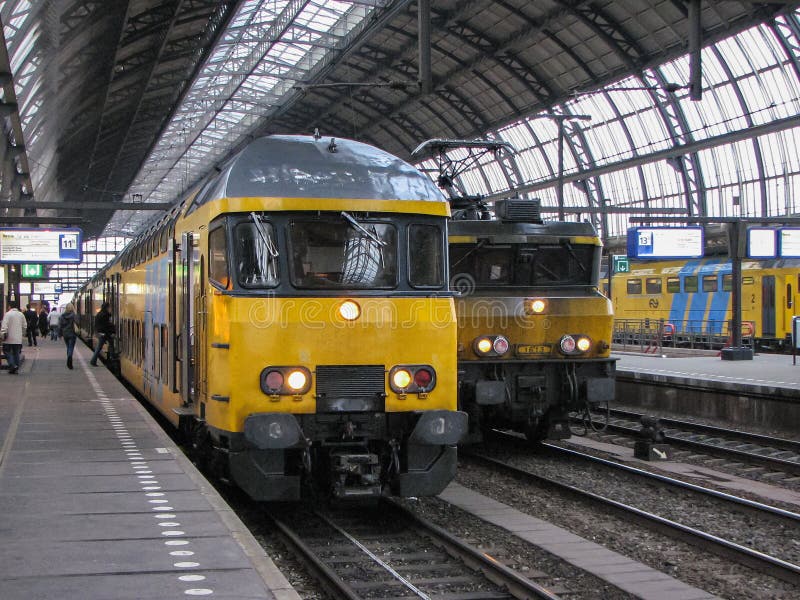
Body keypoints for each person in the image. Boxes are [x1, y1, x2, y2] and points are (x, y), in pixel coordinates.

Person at [1, 301, 27, 374]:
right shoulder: (21, 314)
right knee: (16, 353)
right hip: (18, 338)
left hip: (8, 338)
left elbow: (4, 326)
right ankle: (16, 367)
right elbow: (25, 326)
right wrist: (23, 334)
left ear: (9, 306)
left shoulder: (7, 314)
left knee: (7, 351)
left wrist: (3, 334)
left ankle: (12, 365)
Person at [90, 302, 114, 367]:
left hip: (101, 333)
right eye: (109, 307)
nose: (110, 308)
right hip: (105, 333)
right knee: (110, 344)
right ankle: (112, 358)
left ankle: (93, 360)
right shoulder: (105, 315)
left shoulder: (99, 314)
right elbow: (106, 326)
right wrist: (110, 332)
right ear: (107, 308)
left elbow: (98, 325)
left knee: (99, 347)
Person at [59, 303, 77, 370]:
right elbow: (77, 323)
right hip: (72, 333)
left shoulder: (62, 316)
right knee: (71, 347)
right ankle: (69, 358)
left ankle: (69, 357)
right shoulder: (74, 315)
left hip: (65, 334)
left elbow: (60, 326)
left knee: (68, 347)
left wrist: (60, 334)